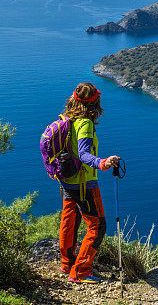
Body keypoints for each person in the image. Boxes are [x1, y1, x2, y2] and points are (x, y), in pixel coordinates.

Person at [58, 82, 119, 284]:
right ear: (94, 102)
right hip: (84, 184)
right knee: (97, 226)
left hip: (67, 181)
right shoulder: (85, 123)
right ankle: (81, 272)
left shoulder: (67, 120)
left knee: (70, 222)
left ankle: (67, 264)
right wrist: (102, 163)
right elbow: (84, 154)